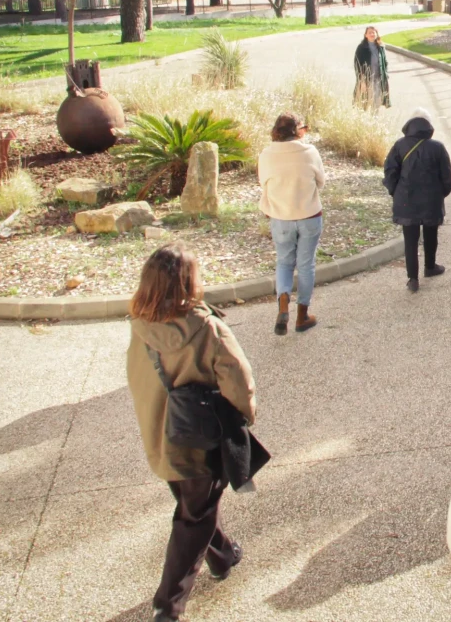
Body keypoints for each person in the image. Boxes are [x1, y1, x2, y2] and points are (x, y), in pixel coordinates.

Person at [126, 245, 256, 622]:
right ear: (189, 281)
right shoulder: (208, 328)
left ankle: (224, 555)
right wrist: (245, 421)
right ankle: (168, 605)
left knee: (194, 504)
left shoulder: (139, 325)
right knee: (193, 518)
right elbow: (239, 382)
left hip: (160, 436)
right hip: (202, 439)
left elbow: (136, 378)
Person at [259, 112, 326, 335]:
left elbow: (263, 182)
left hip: (280, 217)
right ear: (298, 131)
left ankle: (283, 301)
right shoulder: (310, 152)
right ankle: (302, 316)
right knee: (306, 265)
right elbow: (321, 182)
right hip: (309, 215)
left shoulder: (267, 154)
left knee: (284, 262)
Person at [383, 107, 451, 292]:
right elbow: (447, 177)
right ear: (429, 126)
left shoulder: (399, 145)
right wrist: (441, 194)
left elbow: (390, 172)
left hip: (406, 200)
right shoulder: (437, 147)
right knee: (431, 233)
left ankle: (412, 279)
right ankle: (430, 266)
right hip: (431, 200)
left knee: (410, 239)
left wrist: (395, 192)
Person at [353, 26, 390, 110]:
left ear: (377, 34)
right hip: (366, 80)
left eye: (373, 32)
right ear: (366, 35)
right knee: (364, 102)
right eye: (369, 32)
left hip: (378, 79)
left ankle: (374, 120)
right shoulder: (361, 48)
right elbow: (357, 65)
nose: (372, 34)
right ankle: (363, 120)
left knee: (377, 101)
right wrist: (361, 81)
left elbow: (385, 62)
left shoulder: (381, 47)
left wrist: (386, 75)